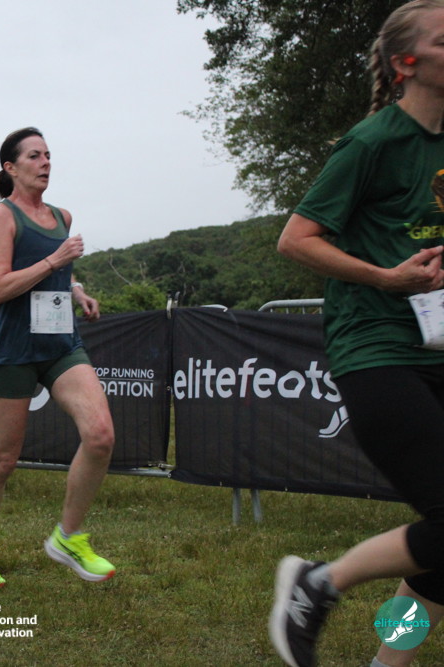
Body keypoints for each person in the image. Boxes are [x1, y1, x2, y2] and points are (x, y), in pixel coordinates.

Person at [270, 4, 444, 666]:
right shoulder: (372, 142)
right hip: (376, 350)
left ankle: (386, 663)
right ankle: (319, 582)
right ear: (407, 63)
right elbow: (296, 239)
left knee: (441, 553)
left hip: (437, 348)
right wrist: (386, 277)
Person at [0, 127, 112, 590]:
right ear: (11, 167)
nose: (45, 162)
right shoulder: (2, 216)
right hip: (14, 349)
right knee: (3, 460)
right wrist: (55, 261)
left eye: (48, 154)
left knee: (100, 435)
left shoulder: (62, 216)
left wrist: (76, 288)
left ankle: (68, 536)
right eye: (34, 156)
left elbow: (57, 272)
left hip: (61, 344)